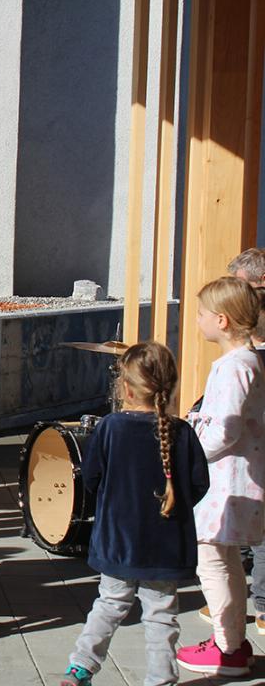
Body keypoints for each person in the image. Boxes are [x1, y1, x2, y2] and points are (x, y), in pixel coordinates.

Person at [59, 342, 209, 686]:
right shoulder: (182, 431)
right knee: (161, 616)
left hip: (118, 541)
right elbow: (199, 484)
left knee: (109, 604)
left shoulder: (110, 427)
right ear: (169, 385)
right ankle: (160, 679)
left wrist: (113, 503)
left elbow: (91, 477)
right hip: (165, 545)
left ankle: (81, 667)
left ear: (125, 388)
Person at [175, 277, 265, 676]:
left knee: (212, 562)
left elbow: (224, 432)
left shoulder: (234, 367)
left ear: (222, 321)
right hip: (232, 481)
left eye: (200, 314)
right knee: (225, 562)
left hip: (224, 484)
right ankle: (233, 643)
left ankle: (227, 650)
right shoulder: (247, 362)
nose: (197, 321)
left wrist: (187, 452)